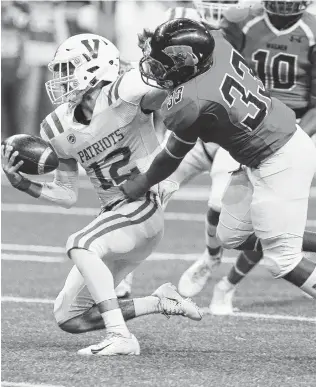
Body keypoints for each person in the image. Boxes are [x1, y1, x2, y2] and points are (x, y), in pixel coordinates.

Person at [1, 33, 202, 356]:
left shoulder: (125, 91)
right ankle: (161, 300)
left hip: (143, 205)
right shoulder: (55, 127)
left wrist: (162, 70)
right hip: (113, 217)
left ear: (93, 68)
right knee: (70, 317)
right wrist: (24, 184)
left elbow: (169, 94)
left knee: (80, 244)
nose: (61, 78)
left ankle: (121, 337)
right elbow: (67, 194)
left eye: (68, 68)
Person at [120, 19, 316, 303]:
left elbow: (172, 156)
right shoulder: (219, 46)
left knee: (282, 261)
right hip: (269, 149)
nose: (157, 70)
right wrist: (161, 44)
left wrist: (140, 184)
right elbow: (198, 34)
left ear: (185, 62)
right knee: (231, 236)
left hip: (280, 159)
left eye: (163, 64)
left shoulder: (191, 101)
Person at [175, 1, 316, 313]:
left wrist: (293, 135)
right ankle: (213, 259)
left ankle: (227, 285)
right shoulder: (244, 22)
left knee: (279, 248)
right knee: (229, 227)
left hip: (296, 130)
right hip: (248, 128)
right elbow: (219, 55)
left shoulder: (312, 30)